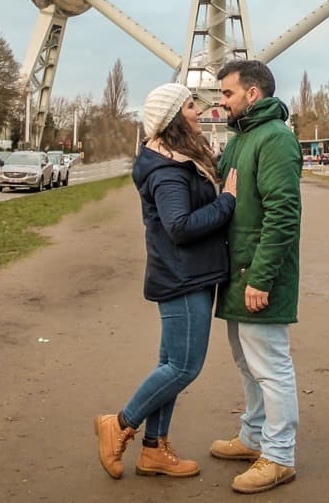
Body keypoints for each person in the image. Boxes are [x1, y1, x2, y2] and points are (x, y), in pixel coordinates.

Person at [94, 82, 237, 481]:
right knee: (183, 368)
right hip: (182, 276)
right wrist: (228, 200)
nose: (198, 111)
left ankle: (154, 449)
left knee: (169, 364)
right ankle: (120, 423)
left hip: (187, 272)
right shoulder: (166, 168)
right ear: (175, 116)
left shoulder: (175, 158)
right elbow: (179, 226)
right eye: (190, 105)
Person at [210, 59, 302, 495]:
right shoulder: (241, 139)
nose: (220, 102)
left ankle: (279, 456)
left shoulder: (276, 139)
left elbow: (283, 215)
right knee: (248, 365)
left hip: (257, 275)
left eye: (227, 93)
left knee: (271, 367)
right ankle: (253, 436)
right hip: (236, 272)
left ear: (252, 93)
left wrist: (261, 279)